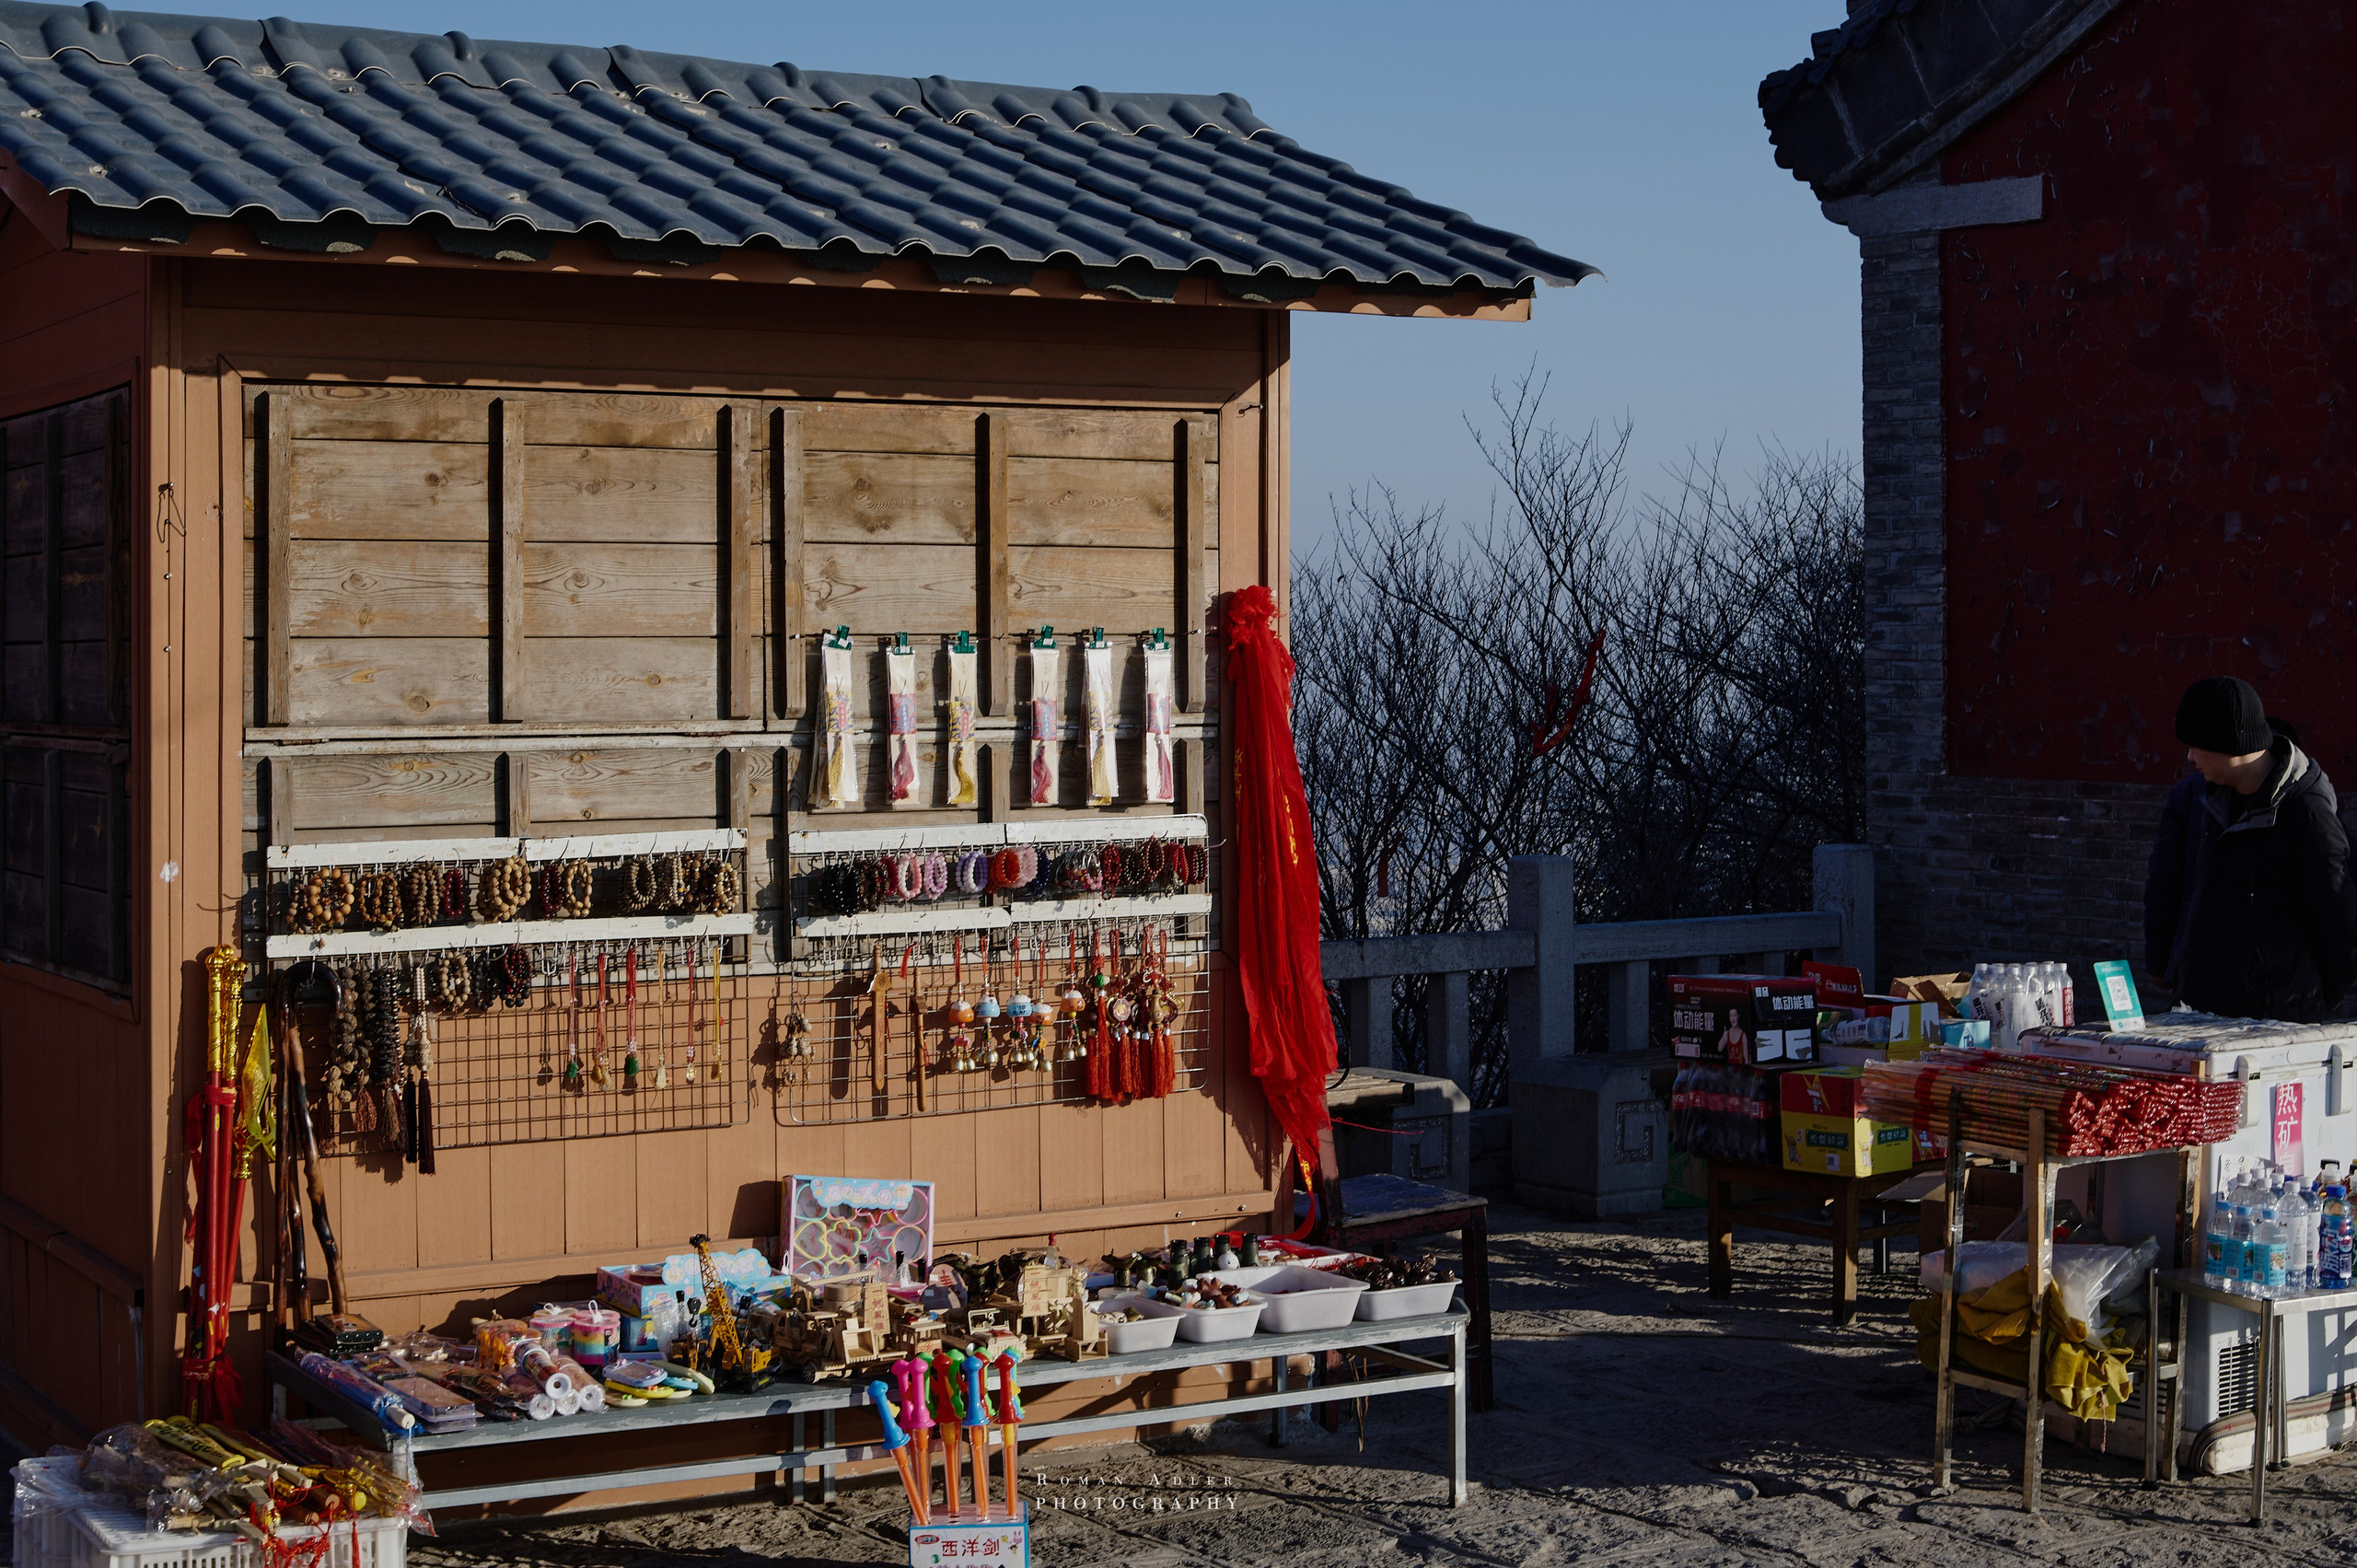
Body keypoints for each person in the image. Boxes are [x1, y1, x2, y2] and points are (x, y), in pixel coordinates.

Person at [2144, 676, 2357, 1021]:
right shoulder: (2211, 799)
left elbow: (2340, 922)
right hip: (2200, 1010)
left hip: (2273, 1023)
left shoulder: (2306, 814)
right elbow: (2180, 889)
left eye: (2196, 744)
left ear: (2227, 744)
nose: (2189, 756)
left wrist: (2307, 1000)